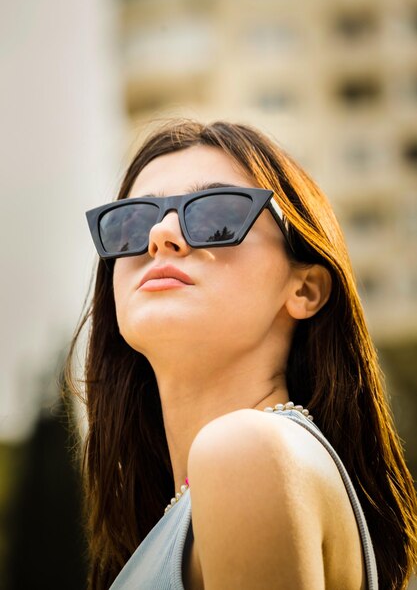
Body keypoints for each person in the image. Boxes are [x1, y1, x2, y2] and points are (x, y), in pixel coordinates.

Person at [66, 119, 417, 590]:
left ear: (305, 289)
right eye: (133, 222)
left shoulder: (247, 451)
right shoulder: (194, 503)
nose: (160, 237)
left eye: (215, 215)